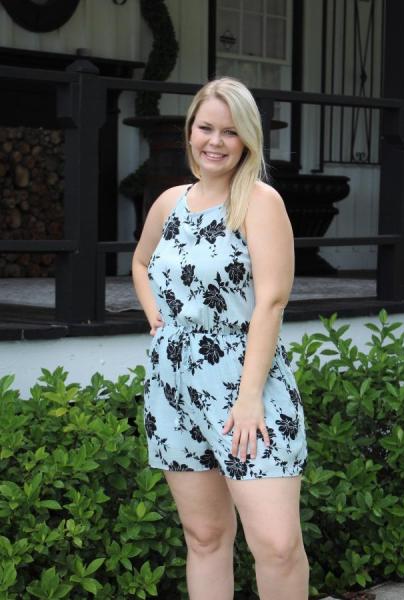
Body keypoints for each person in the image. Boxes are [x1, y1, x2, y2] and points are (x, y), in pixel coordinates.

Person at [132, 77, 308, 600]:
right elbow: (140, 262)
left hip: (243, 380)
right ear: (190, 131)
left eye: (230, 132)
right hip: (172, 384)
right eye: (206, 127)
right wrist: (157, 317)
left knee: (276, 544)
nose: (215, 141)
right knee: (205, 536)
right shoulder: (170, 202)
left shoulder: (259, 201)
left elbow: (272, 301)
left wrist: (249, 397)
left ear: (248, 139)